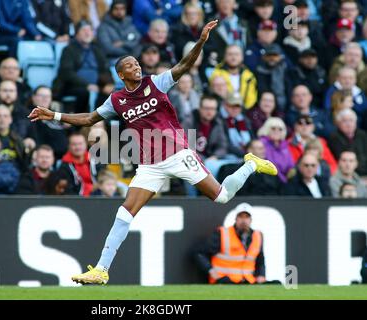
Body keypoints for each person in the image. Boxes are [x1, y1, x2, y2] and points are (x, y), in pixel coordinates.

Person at [28, 20, 278, 285]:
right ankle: (101, 269)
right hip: (149, 164)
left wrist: (201, 42)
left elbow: (183, 66)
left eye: (137, 63)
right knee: (125, 212)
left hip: (178, 153)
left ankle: (250, 164)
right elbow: (89, 119)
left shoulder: (156, 83)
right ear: (121, 75)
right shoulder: (117, 100)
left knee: (222, 197)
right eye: (130, 66)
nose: (136, 67)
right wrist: (52, 114)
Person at [194, 203, 267, 284]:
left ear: (251, 220)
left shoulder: (257, 236)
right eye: (241, 216)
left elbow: (260, 260)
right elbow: (200, 253)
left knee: (276, 284)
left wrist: (261, 275)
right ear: (235, 219)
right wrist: (213, 273)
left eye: (246, 217)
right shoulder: (222, 233)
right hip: (224, 281)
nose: (244, 220)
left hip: (248, 281)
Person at [53, 20, 109, 113]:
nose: (87, 33)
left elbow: (105, 69)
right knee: (84, 93)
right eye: (84, 30)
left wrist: (109, 83)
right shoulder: (69, 50)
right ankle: (81, 124)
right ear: (77, 34)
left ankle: (108, 126)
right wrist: (87, 85)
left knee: (115, 95)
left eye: (90, 30)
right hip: (74, 86)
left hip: (97, 86)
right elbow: (67, 72)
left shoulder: (97, 50)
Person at [26, 86, 71, 160]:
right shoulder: (28, 115)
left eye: (47, 96)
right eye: (41, 96)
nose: (45, 99)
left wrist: (69, 127)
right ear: (33, 97)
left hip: (64, 157)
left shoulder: (55, 114)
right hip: (44, 157)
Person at [209, 45, 258, 110]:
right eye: (230, 54)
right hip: (222, 111)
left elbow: (251, 98)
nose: (233, 57)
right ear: (225, 56)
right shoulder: (216, 74)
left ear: (242, 57)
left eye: (236, 54)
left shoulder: (249, 76)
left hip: (245, 112)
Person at [0, 105, 33, 172]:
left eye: (5, 116)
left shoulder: (17, 139)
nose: (2, 119)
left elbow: (24, 164)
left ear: (10, 119)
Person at [58, 132, 102, 196]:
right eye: (74, 144)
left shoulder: (95, 161)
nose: (78, 147)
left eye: (80, 144)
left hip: (98, 197)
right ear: (69, 146)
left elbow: (104, 179)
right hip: (76, 200)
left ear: (86, 144)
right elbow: (67, 190)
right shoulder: (64, 166)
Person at [328, 109, 367, 175]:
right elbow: (342, 159)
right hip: (347, 174)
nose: (348, 124)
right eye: (345, 121)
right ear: (338, 124)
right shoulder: (334, 137)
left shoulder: (362, 135)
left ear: (356, 122)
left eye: (351, 120)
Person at [258, 117, 295, 184]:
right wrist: (284, 181)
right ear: (267, 129)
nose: (276, 131)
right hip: (268, 181)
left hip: (283, 182)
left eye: (280, 129)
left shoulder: (284, 145)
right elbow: (271, 166)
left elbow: (291, 165)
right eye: (273, 128)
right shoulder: (262, 143)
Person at [219, 92, 253, 159]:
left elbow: (252, 137)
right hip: (228, 156)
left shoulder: (244, 119)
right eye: (232, 105)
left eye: (238, 106)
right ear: (225, 105)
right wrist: (245, 154)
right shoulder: (219, 119)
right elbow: (225, 144)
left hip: (246, 154)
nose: (235, 109)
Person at [255, 44, 288, 111]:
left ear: (280, 57)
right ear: (264, 57)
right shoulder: (258, 71)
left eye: (275, 55)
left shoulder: (286, 71)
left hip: (285, 107)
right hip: (265, 107)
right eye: (269, 55)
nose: (272, 58)